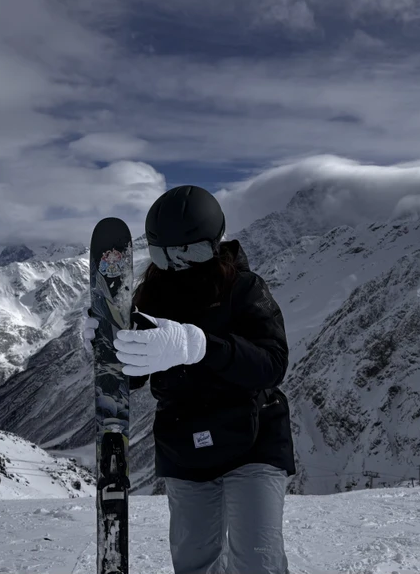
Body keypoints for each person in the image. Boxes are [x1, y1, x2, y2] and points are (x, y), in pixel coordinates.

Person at [83, 184, 295, 574]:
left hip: (254, 439)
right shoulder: (148, 297)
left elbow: (272, 363)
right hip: (185, 444)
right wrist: (108, 352)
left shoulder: (244, 288)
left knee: (257, 561)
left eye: (190, 252)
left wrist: (200, 346)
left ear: (215, 243)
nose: (178, 264)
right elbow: (129, 380)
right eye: (166, 255)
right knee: (194, 562)